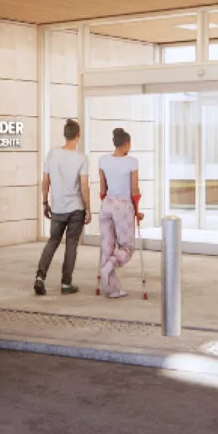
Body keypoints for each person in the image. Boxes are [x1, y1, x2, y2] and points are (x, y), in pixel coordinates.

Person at [35, 118, 88, 296]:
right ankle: (66, 284)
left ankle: (40, 278)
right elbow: (84, 186)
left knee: (53, 241)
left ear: (65, 135)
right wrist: (87, 208)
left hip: (57, 208)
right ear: (78, 136)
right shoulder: (81, 158)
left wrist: (44, 202)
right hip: (75, 209)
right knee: (71, 245)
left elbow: (45, 181)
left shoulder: (52, 154)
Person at [97, 128, 141, 299]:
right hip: (123, 206)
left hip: (107, 204)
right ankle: (108, 268)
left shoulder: (102, 160)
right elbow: (135, 190)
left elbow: (102, 189)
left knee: (107, 248)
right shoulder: (132, 162)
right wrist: (137, 211)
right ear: (126, 144)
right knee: (127, 247)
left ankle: (112, 290)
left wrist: (108, 203)